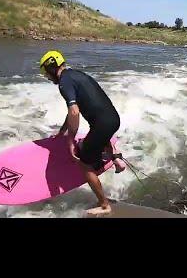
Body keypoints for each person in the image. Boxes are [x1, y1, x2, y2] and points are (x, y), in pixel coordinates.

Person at [39, 50, 127, 216]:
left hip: (102, 125)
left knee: (84, 163)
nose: (48, 77)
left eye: (46, 72)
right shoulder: (75, 75)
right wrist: (62, 132)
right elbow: (72, 111)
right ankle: (116, 159)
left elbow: (74, 112)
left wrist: (70, 141)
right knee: (96, 134)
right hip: (113, 119)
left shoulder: (64, 83)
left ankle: (104, 205)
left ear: (51, 68)